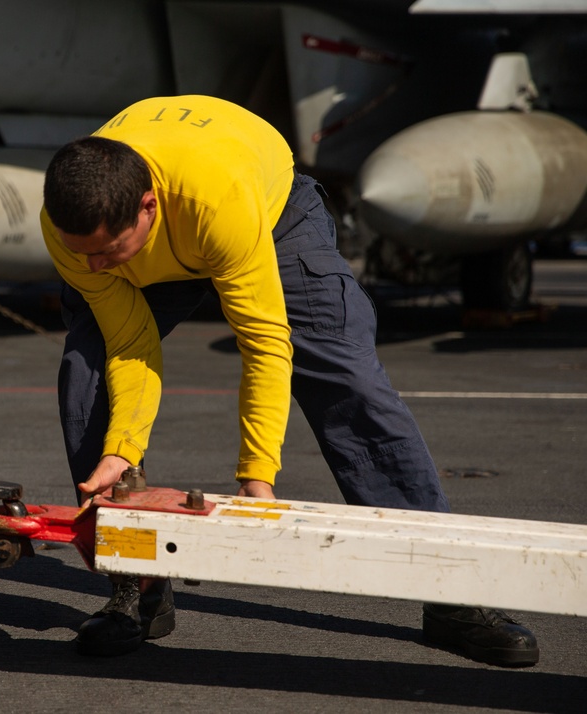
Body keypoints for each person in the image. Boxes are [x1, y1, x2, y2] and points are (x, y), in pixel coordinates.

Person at [39, 95, 539, 668]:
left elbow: (264, 341)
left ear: (148, 207)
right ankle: (136, 587)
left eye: (107, 252)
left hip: (267, 213)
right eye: (85, 256)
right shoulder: (73, 233)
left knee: (344, 373)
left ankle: (450, 593)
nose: (94, 267)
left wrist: (258, 476)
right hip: (173, 221)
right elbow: (130, 344)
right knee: (89, 372)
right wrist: (121, 449)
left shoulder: (217, 201)